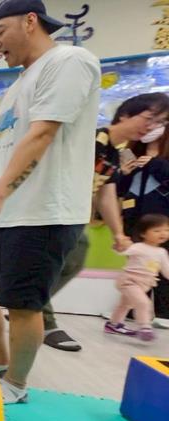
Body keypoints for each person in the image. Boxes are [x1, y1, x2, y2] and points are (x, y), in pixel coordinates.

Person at [0, 0, 100, 404]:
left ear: (31, 21)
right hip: (3, 212)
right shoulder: (18, 83)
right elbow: (8, 149)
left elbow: (42, 134)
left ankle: (16, 385)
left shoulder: (69, 61)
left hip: (44, 211)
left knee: (22, 304)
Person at [40, 93, 169, 351]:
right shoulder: (93, 140)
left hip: (70, 214)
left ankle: (30, 306)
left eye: (161, 123)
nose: (153, 127)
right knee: (67, 256)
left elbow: (106, 193)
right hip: (49, 210)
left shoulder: (114, 151)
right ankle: (38, 315)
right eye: (149, 118)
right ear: (125, 115)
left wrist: (118, 233)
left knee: (73, 258)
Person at [121, 108, 169, 328]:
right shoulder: (131, 152)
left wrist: (153, 163)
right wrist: (124, 173)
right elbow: (120, 189)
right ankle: (132, 311)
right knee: (137, 265)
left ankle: (163, 313)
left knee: (162, 265)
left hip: (162, 221)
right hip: (135, 219)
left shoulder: (161, 159)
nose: (151, 128)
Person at [104, 214, 169, 341]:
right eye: (156, 230)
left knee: (124, 305)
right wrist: (119, 246)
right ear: (143, 234)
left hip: (144, 284)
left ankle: (113, 324)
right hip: (129, 281)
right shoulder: (138, 247)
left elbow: (166, 270)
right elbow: (122, 251)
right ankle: (145, 327)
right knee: (143, 303)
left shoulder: (162, 252)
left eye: (166, 230)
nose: (163, 233)